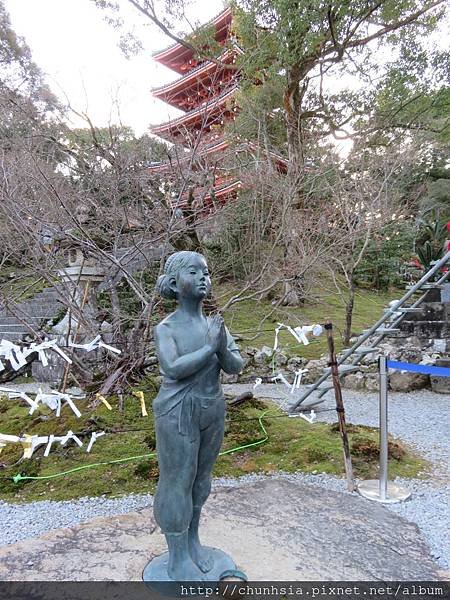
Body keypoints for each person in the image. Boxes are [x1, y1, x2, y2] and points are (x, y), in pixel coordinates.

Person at [153, 251, 244, 581]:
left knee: (201, 480)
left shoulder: (215, 325)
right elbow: (172, 368)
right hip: (178, 411)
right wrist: (209, 347)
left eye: (207, 272)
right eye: (195, 272)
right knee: (178, 480)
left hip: (212, 407)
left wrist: (218, 345)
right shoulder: (166, 328)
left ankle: (192, 542)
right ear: (176, 284)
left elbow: (235, 365)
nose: (205, 278)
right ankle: (177, 556)